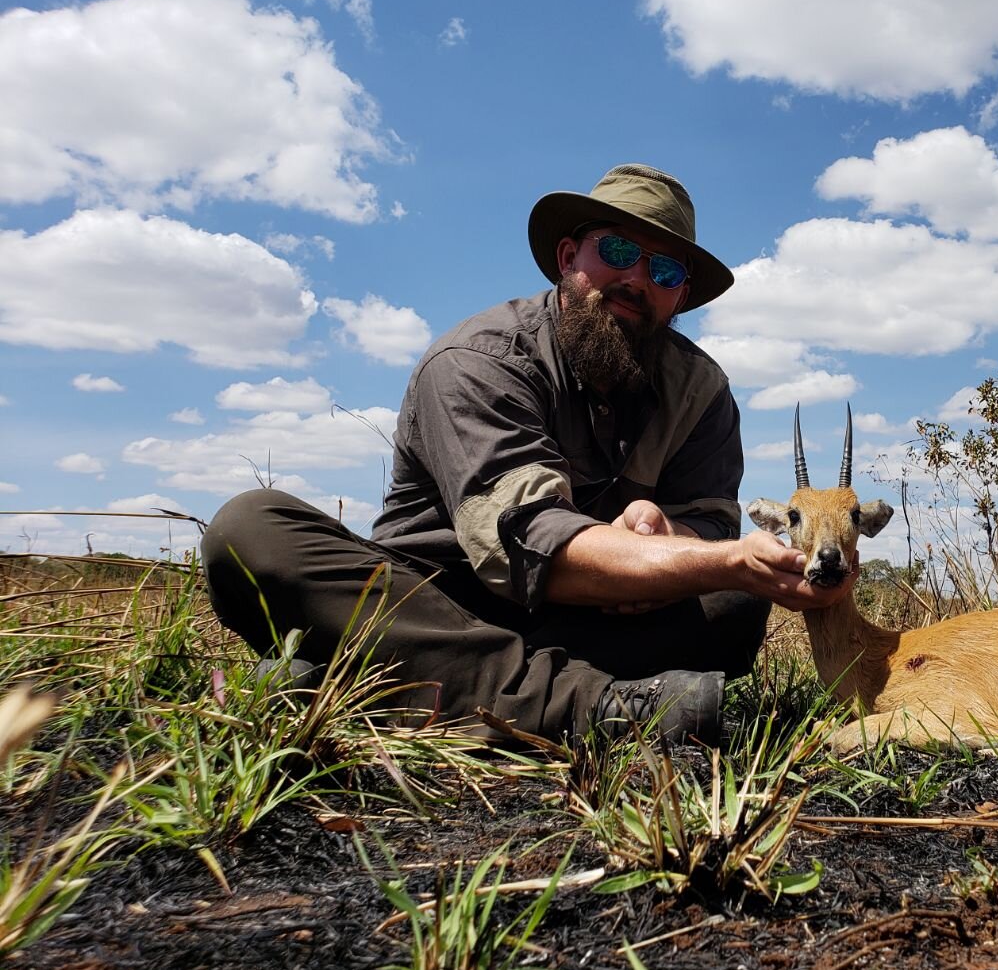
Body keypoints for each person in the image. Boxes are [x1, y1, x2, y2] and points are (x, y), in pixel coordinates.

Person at [201, 163, 852, 745]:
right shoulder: (479, 359)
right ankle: (603, 707)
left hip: (592, 618)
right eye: (618, 250)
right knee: (248, 531)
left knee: (734, 604)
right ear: (568, 255)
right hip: (440, 606)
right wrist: (701, 557)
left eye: (664, 270)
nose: (635, 279)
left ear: (679, 296)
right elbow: (528, 542)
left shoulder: (701, 392)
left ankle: (361, 679)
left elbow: (711, 524)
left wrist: (668, 538)